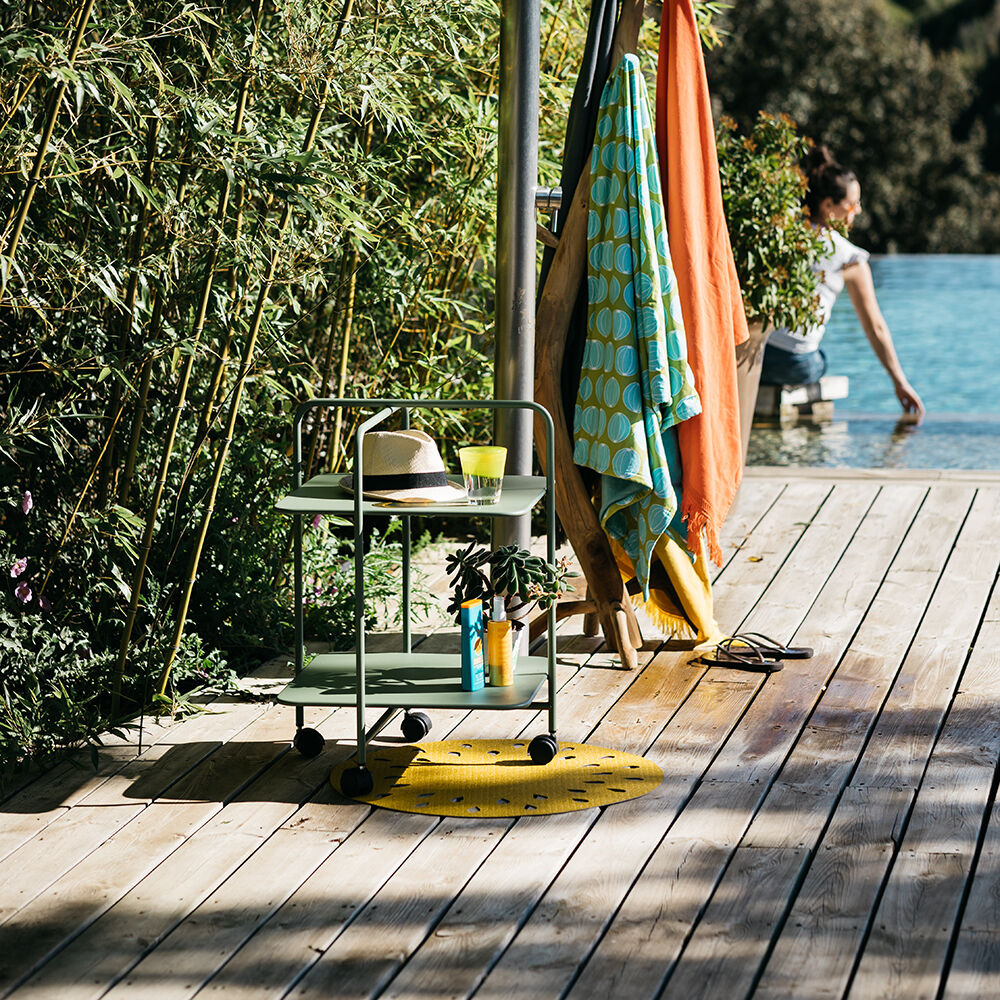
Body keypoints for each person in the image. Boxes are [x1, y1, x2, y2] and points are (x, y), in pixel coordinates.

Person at [760, 145, 925, 420]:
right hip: (794, 365)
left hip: (757, 357)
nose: (857, 210)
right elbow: (876, 328)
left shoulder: (779, 235)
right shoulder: (849, 258)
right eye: (852, 203)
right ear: (828, 205)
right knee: (820, 359)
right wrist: (900, 382)